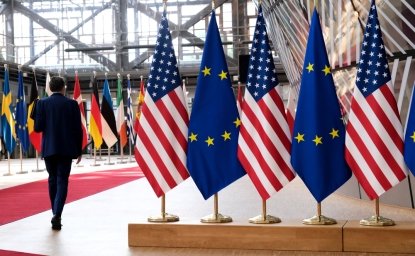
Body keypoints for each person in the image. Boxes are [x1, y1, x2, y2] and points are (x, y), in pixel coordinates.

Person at [34, 76, 83, 230]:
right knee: (62, 180)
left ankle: (55, 212)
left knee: (52, 179)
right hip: (67, 149)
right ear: (64, 87)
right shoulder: (72, 104)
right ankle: (57, 214)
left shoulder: (41, 103)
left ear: (50, 87)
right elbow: (78, 129)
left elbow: (37, 128)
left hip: (49, 148)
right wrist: (79, 150)